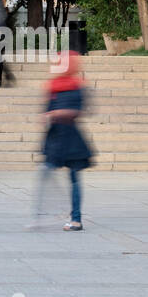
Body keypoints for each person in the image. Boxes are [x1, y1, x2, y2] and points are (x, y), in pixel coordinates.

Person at [33, 52, 94, 230]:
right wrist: (45, 116)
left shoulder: (78, 86)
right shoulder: (51, 86)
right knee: (45, 173)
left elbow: (80, 110)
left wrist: (56, 114)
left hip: (72, 137)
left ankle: (76, 218)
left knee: (74, 177)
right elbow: (46, 110)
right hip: (54, 137)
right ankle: (42, 215)